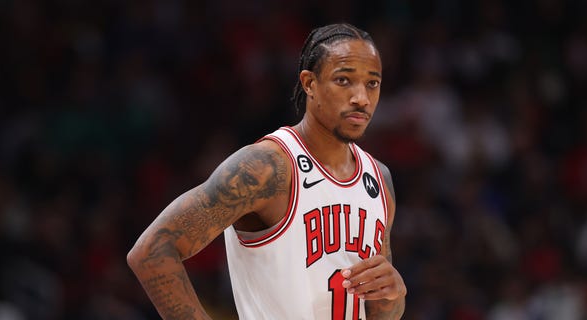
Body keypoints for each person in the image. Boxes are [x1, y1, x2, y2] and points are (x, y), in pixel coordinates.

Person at [127, 23, 407, 319]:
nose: (361, 98)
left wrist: (394, 295)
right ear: (310, 83)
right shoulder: (267, 167)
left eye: (372, 84)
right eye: (344, 80)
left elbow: (379, 312)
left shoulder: (379, 179)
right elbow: (152, 251)